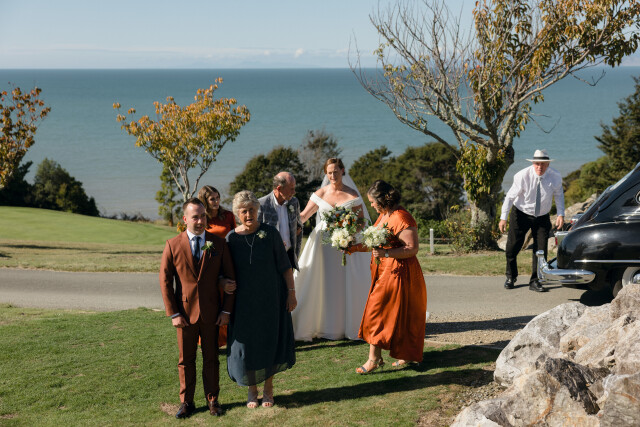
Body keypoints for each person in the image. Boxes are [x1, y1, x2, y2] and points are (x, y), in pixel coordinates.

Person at [159, 198, 236, 418]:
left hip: (212, 313)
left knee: (211, 359)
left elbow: (230, 279)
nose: (200, 221)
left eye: (203, 216)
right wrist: (174, 313)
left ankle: (213, 400)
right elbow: (165, 281)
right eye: (195, 217)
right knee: (186, 360)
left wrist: (226, 311)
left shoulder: (218, 243)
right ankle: (187, 402)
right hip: (183, 314)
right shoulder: (172, 245)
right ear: (185, 219)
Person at [226, 190, 296, 408]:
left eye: (252, 210)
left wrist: (291, 293)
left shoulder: (270, 233)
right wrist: (223, 283)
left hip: (271, 299)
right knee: (247, 346)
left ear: (257, 210)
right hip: (243, 303)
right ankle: (252, 390)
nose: (249, 215)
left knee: (268, 342)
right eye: (244, 211)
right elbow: (224, 271)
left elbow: (285, 266)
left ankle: (268, 389)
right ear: (237, 213)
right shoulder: (231, 238)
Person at [351, 180, 427, 373]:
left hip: (399, 273)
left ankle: (374, 359)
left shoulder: (402, 217)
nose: (371, 205)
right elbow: (375, 243)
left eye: (372, 202)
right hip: (384, 271)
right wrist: (353, 247)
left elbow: (412, 248)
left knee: (376, 312)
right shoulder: (385, 215)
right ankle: (406, 355)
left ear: (383, 199)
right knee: (399, 314)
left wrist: (386, 253)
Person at [292, 158, 372, 341]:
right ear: (326, 174)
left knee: (343, 283)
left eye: (336, 171)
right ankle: (324, 325)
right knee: (324, 281)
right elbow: (304, 216)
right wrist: (288, 221)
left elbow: (362, 221)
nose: (333, 175)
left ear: (342, 171)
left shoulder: (352, 194)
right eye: (329, 172)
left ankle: (345, 325)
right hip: (323, 244)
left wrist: (350, 234)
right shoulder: (320, 193)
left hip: (345, 244)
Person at [499, 149, 565, 292]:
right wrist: (503, 217)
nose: (539, 167)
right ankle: (511, 276)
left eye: (543, 164)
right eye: (537, 164)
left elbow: (559, 195)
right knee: (512, 247)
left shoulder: (555, 176)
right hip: (521, 213)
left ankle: (535, 281)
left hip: (542, 216)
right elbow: (510, 197)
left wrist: (561, 214)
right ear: (533, 163)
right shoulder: (522, 176)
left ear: (548, 164)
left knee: (540, 250)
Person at [198, 185, 236, 347]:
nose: (216, 201)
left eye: (217, 197)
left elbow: (235, 236)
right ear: (204, 201)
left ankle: (227, 339)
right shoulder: (201, 218)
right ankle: (208, 340)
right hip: (210, 263)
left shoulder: (228, 215)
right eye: (212, 199)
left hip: (228, 261)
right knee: (211, 302)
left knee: (228, 298)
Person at [257, 172, 302, 270]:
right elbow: (256, 233)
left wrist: (295, 255)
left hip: (289, 257)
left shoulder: (294, 202)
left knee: (289, 281)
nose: (294, 192)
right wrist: (273, 242)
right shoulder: (261, 204)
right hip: (270, 258)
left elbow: (299, 227)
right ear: (279, 188)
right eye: (291, 189)